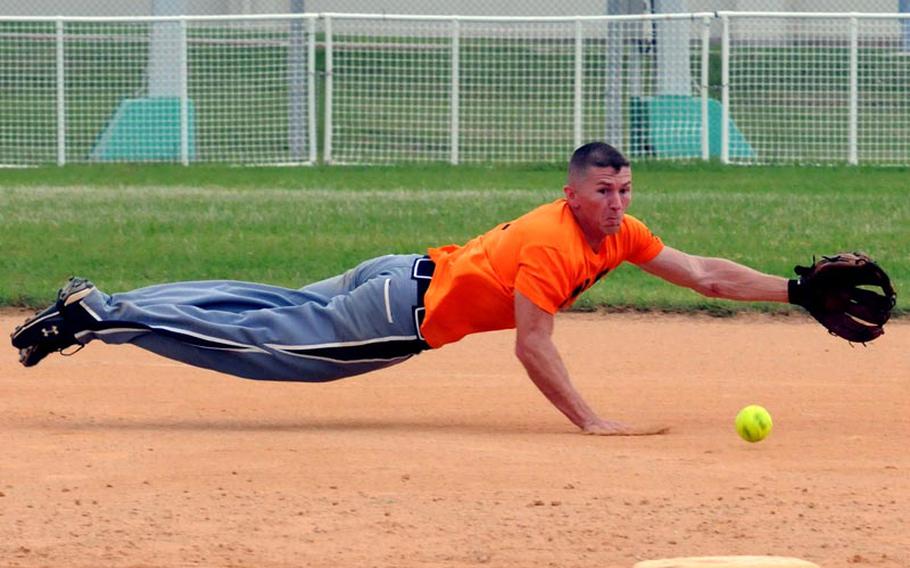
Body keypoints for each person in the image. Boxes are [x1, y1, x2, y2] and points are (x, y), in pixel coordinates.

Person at [9, 142, 800, 436]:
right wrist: (590, 421)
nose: (619, 204)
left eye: (625, 190)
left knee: (269, 304)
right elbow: (533, 344)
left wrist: (793, 288)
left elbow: (703, 275)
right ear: (571, 194)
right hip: (398, 313)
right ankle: (102, 318)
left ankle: (109, 304)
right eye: (604, 192)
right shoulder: (556, 248)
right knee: (265, 347)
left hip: (400, 271)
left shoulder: (620, 234)